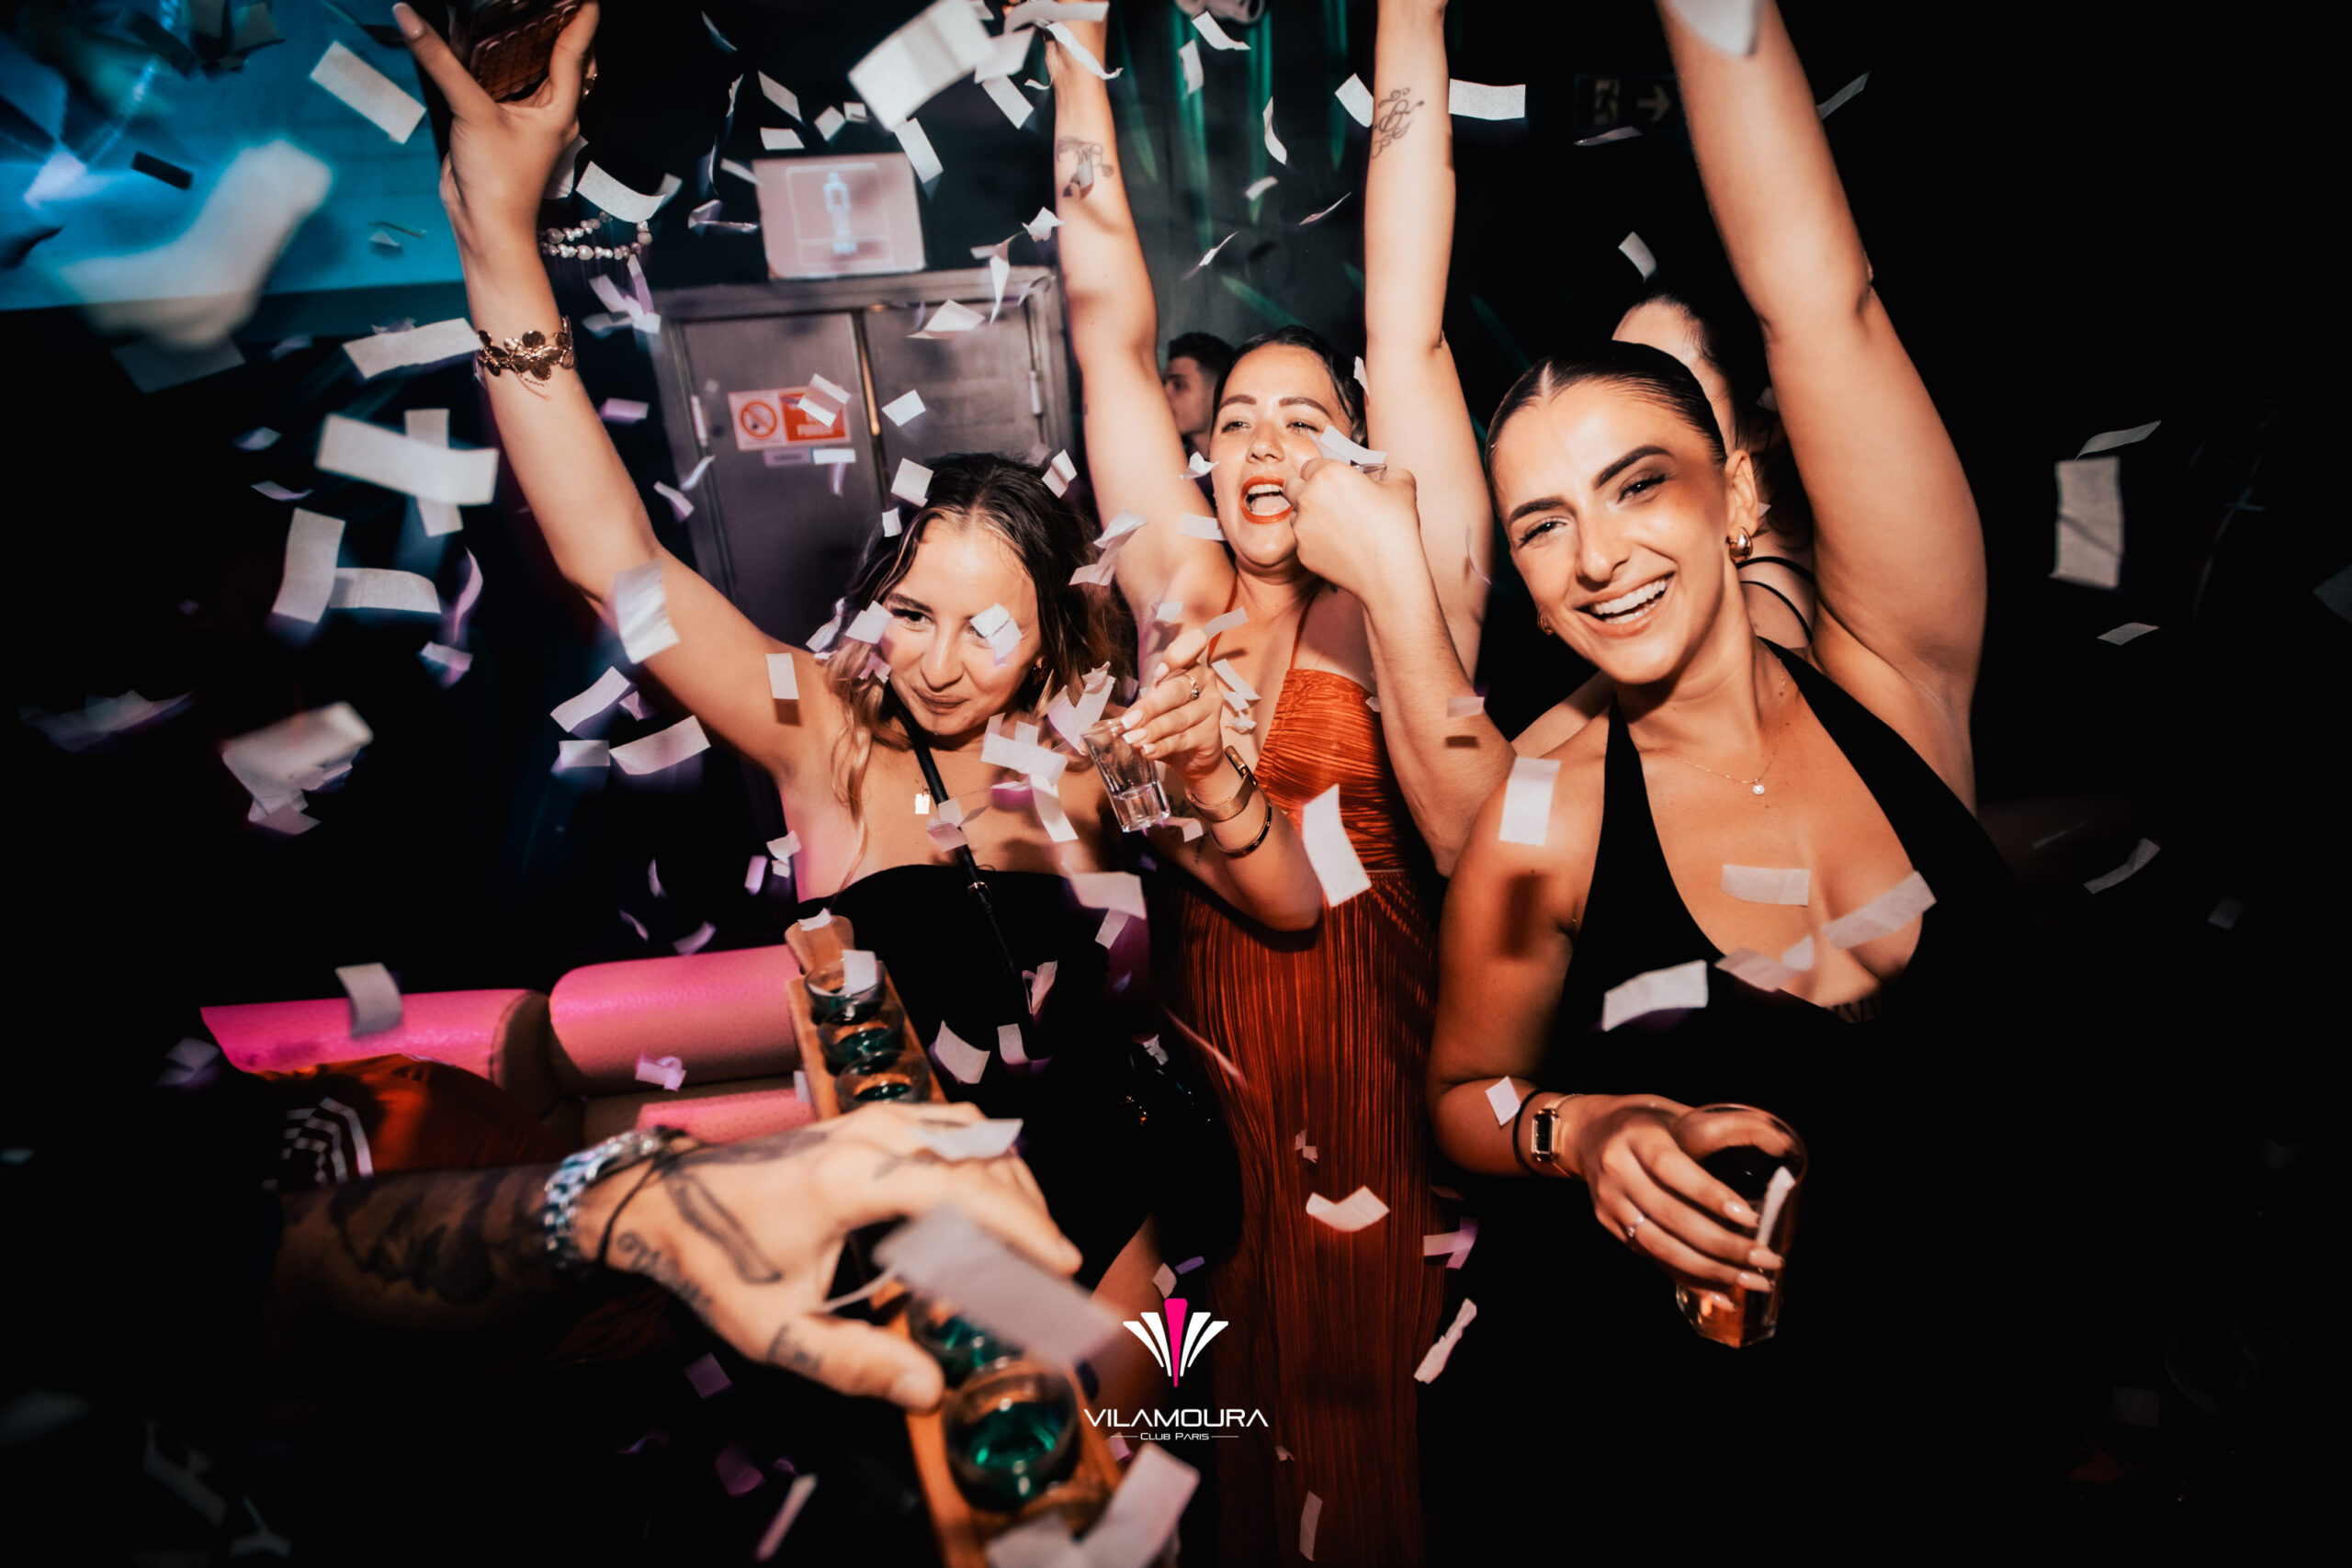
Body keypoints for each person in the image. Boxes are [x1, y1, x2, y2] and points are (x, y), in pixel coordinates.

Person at [394, 0, 1323, 1414]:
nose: (938, 660)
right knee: (974, 1484)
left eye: (987, 627)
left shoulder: (1089, 751)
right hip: (916, 1240)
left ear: (1050, 639)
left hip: (1120, 1207)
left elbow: (1292, 903)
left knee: (1141, 1474)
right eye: (913, 611)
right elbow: (611, 557)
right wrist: (497, 237)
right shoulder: (824, 736)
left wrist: (1216, 781)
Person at [1420, 0, 2034, 1542]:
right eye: (1543, 525)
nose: (1597, 556)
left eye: (1637, 485)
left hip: (1984, 1414)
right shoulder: (1546, 812)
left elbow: (1821, 301)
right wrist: (1582, 1130)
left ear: (1738, 488)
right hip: (1706, 1463)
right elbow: (1461, 1095)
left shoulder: (1894, 668)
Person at [1047, 6, 1510, 1559]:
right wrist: (1072, 44)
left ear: (1365, 450)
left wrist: (1411, 16)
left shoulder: (1406, 589)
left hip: (1379, 1102)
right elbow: (1106, 327)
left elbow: (1412, 314)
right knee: (1231, 1445)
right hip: (1210, 1121)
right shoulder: (1177, 590)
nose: (1263, 440)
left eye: (1307, 419)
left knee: (1377, 1457)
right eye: (1238, 418)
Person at [1511, 271, 1820, 754]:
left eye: (1666, 388)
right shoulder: (1703, 580)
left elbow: (1505, 787)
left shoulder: (1757, 616)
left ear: (1764, 426)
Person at [1163, 331, 1235, 460]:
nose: (1163, 395)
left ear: (1217, 392)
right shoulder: (1164, 463)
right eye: (1163, 384)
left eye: (1179, 385)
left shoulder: (1242, 465)